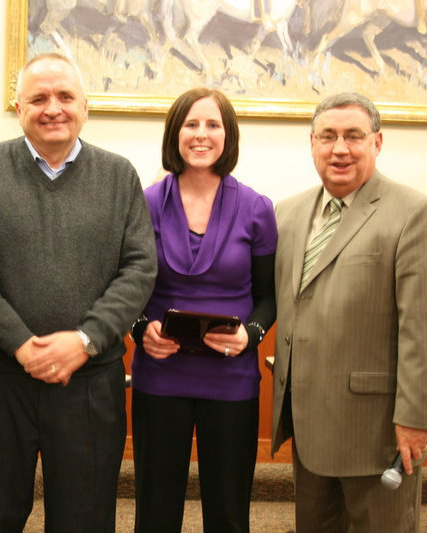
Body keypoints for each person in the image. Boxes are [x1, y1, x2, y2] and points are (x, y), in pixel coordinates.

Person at [0, 53, 157, 532]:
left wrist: (83, 341)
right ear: (18, 106)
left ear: (85, 106)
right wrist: (23, 346)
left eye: (65, 96)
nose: (53, 108)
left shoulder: (119, 174)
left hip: (88, 382)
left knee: (83, 519)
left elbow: (139, 268)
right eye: (38, 98)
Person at [271, 92, 427, 532]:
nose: (340, 148)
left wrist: (416, 419)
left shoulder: (415, 214)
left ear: (377, 142)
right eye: (328, 136)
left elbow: (426, 328)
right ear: (311, 143)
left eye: (354, 136)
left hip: (376, 429)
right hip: (309, 419)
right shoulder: (287, 214)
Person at [131, 87, 278, 532]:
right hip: (160, 373)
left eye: (213, 124)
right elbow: (126, 288)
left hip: (231, 378)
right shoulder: (144, 202)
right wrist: (141, 331)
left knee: (229, 512)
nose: (201, 134)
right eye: (190, 124)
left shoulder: (257, 208)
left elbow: (269, 296)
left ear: (227, 135)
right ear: (174, 133)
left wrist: (249, 335)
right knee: (155, 509)